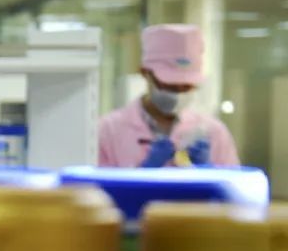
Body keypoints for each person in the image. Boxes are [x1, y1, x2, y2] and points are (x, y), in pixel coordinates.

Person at [98, 24, 240, 168]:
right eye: (169, 85)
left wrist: (209, 173)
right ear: (145, 73)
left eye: (186, 87)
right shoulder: (108, 131)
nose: (177, 95)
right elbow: (93, 182)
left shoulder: (214, 132)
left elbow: (232, 180)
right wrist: (143, 173)